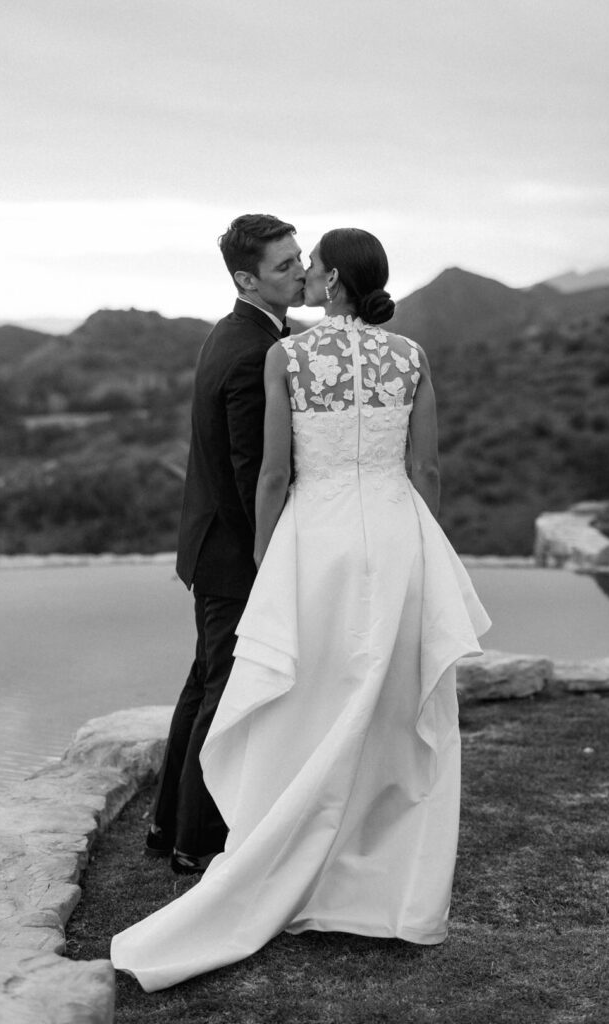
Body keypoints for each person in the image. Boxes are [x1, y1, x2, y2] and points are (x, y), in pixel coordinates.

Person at [113, 227, 491, 989]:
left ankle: (289, 855)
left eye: (313, 264)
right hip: (395, 541)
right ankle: (387, 881)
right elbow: (425, 467)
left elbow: (274, 476)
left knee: (308, 700)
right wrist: (425, 545)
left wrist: (264, 558)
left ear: (337, 282)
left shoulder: (285, 356)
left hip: (313, 546)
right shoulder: (411, 357)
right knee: (392, 707)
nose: (306, 273)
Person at [144, 213, 305, 873]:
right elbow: (248, 473)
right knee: (221, 694)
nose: (298, 271)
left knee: (203, 683)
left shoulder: (239, 332)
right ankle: (197, 843)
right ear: (247, 277)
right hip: (233, 554)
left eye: (299, 258)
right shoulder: (250, 350)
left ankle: (164, 827)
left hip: (208, 547)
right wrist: (271, 555)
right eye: (284, 265)